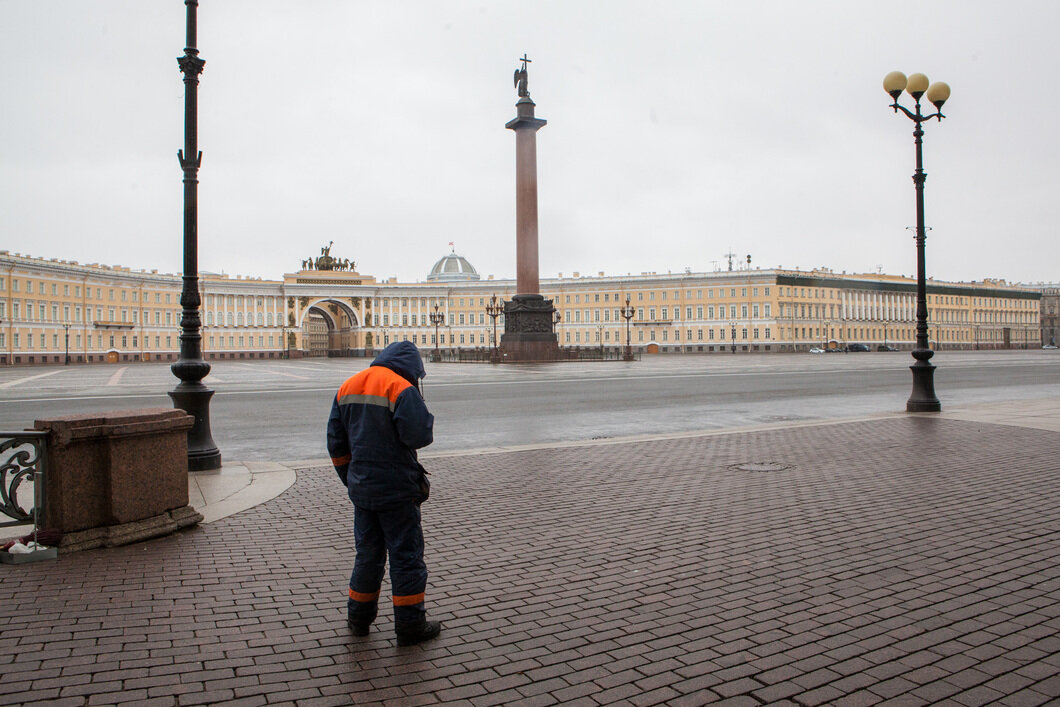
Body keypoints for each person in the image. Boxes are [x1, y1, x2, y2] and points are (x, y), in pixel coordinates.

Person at [326, 341, 441, 646]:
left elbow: (335, 443)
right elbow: (419, 436)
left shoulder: (348, 385)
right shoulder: (401, 388)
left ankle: (358, 619)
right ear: (411, 368)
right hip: (397, 489)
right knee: (406, 556)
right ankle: (410, 624)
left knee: (368, 554)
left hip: (363, 490)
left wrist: (350, 478)